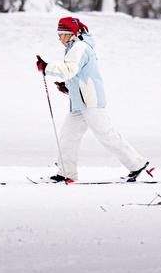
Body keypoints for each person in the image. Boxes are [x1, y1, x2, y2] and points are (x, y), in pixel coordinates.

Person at [35, 15, 153, 184]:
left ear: (71, 34)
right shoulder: (73, 47)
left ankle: (137, 164)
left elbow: (69, 69)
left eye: (62, 34)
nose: (59, 38)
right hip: (79, 103)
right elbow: (78, 74)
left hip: (90, 102)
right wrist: (67, 87)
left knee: (106, 135)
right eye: (58, 34)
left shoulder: (80, 47)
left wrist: (47, 67)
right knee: (68, 137)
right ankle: (66, 173)